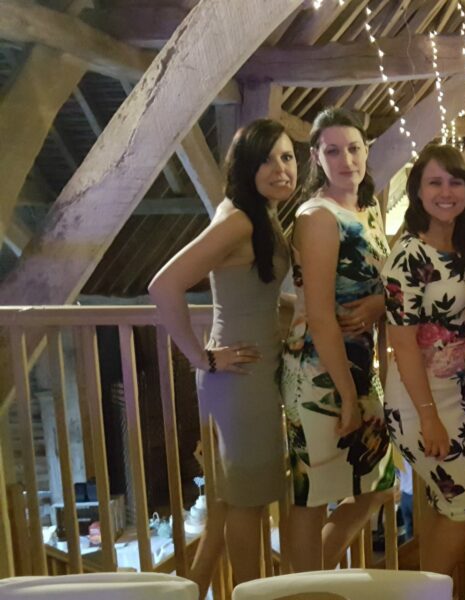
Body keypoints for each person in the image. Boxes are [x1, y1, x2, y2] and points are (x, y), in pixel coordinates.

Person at [149, 119, 294, 595]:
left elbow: (253, 291)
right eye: (267, 159)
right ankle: (249, 593)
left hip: (250, 372)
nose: (280, 168)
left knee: (230, 504)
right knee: (246, 503)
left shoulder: (257, 213)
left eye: (287, 157)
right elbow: (164, 284)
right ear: (246, 166)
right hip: (240, 377)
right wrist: (202, 358)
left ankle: (195, 590)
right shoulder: (239, 220)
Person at [280, 108, 394, 572]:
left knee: (380, 485)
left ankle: (307, 581)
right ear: (317, 158)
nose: (346, 159)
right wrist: (347, 395)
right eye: (333, 150)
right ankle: (304, 585)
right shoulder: (318, 217)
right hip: (318, 369)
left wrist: (381, 302)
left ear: (366, 149)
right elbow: (322, 315)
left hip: (359, 364)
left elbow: (382, 284)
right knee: (313, 493)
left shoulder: (368, 210)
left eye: (353, 147)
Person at [383, 144, 465, 598]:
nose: (447, 192)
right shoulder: (408, 255)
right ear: (417, 191)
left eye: (455, 181)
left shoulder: (464, 247)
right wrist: (428, 416)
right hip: (420, 401)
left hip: (460, 394)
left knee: (457, 506)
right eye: (435, 182)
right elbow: (401, 342)